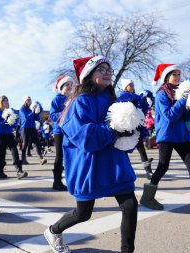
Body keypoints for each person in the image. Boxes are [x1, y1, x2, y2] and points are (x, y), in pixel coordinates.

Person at [44, 55, 138, 253]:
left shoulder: (114, 99)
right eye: (101, 69)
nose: (106, 73)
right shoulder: (79, 102)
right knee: (83, 213)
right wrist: (115, 130)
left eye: (108, 70)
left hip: (114, 163)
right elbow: (84, 137)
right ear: (88, 74)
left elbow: (125, 137)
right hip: (88, 165)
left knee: (130, 205)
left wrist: (131, 129)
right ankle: (54, 231)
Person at [139, 64, 190, 218]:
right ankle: (147, 197)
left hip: (181, 135)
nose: (177, 76)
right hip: (167, 135)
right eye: (174, 74)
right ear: (166, 77)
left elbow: (184, 117)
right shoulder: (162, 94)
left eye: (178, 73)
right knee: (163, 166)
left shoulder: (181, 92)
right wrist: (183, 100)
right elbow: (169, 115)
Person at [119, 79, 153, 179]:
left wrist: (146, 102)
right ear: (125, 87)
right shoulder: (122, 98)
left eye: (133, 85)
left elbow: (143, 110)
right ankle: (125, 172)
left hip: (137, 127)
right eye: (130, 85)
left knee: (141, 149)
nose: (132, 87)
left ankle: (148, 171)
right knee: (124, 150)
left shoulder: (137, 97)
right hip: (127, 128)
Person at [0, 95, 28, 179]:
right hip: (0, 135)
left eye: (7, 100)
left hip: (9, 134)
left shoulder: (11, 111)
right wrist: (5, 120)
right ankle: (0, 172)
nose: (6, 102)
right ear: (0, 102)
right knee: (1, 154)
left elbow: (14, 123)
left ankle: (19, 171)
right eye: (4, 101)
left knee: (14, 151)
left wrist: (13, 124)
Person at [49, 75, 74, 191]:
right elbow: (52, 116)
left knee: (72, 155)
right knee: (59, 156)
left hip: (71, 131)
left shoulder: (74, 98)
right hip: (59, 132)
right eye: (67, 85)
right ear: (61, 87)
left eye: (71, 84)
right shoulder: (57, 99)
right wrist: (65, 112)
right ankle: (57, 181)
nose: (69, 87)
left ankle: (72, 180)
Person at [19, 96, 47, 165]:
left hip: (32, 127)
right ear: (25, 101)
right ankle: (23, 159)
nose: (29, 101)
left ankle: (41, 158)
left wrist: (37, 113)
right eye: (28, 100)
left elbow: (36, 118)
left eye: (30, 100)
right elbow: (26, 118)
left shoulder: (31, 108)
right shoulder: (22, 109)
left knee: (37, 142)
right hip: (25, 127)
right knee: (25, 143)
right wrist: (33, 112)